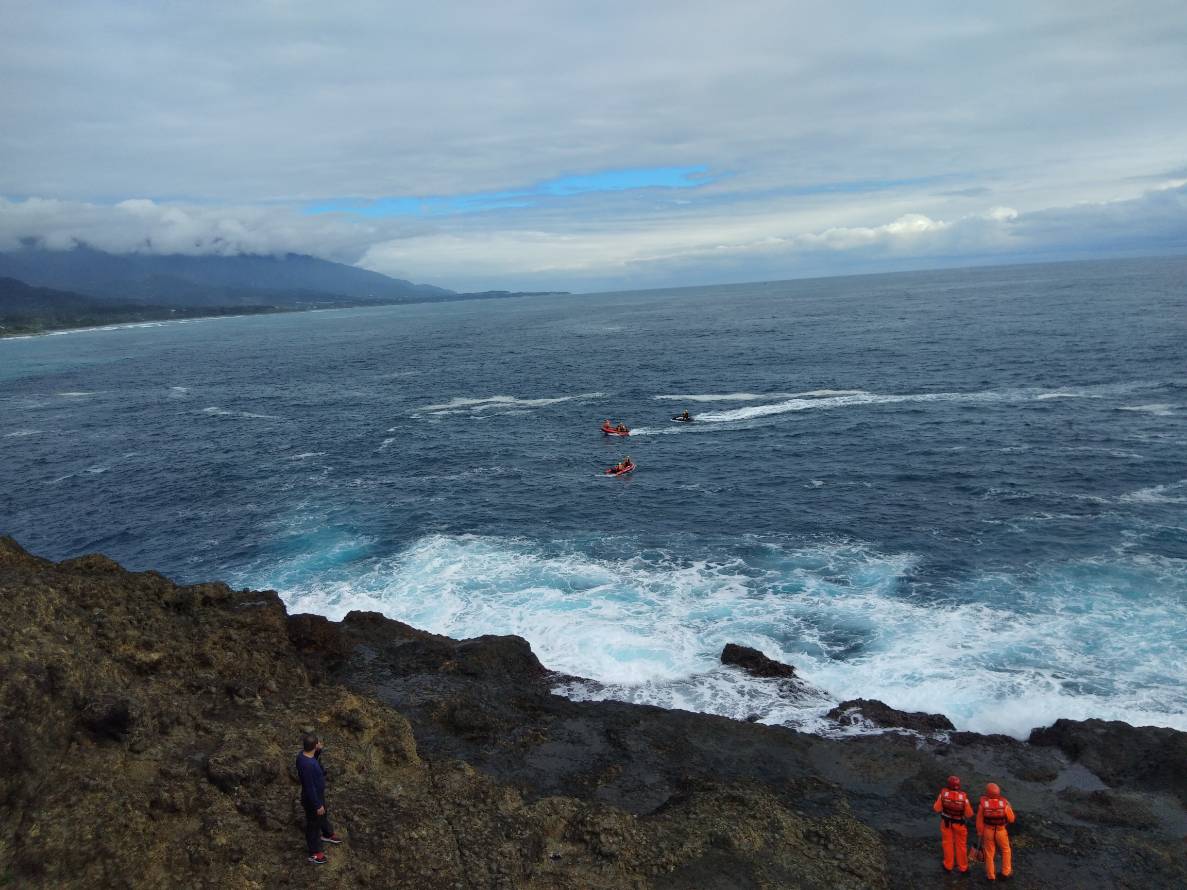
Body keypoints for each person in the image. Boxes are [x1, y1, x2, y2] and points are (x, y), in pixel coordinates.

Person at [296, 733, 343, 864]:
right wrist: (317, 805)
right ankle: (314, 853)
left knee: (323, 815)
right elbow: (310, 787)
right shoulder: (308, 765)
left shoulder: (302, 756)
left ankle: (327, 834)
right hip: (312, 799)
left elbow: (312, 759)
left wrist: (317, 752)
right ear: (315, 745)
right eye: (317, 744)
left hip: (317, 795)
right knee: (313, 825)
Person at [933, 775, 974, 874]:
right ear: (958, 785)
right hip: (959, 825)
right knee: (961, 846)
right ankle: (963, 867)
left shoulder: (942, 795)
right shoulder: (964, 798)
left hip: (946, 823)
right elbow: (969, 814)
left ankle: (948, 865)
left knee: (947, 844)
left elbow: (936, 808)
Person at [975, 782, 1016, 881]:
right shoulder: (1004, 805)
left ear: (987, 793)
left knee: (989, 853)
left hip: (988, 831)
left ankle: (990, 876)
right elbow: (1011, 819)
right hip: (1001, 831)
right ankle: (1005, 873)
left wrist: (980, 833)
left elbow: (979, 821)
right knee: (1006, 851)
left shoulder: (983, 806)